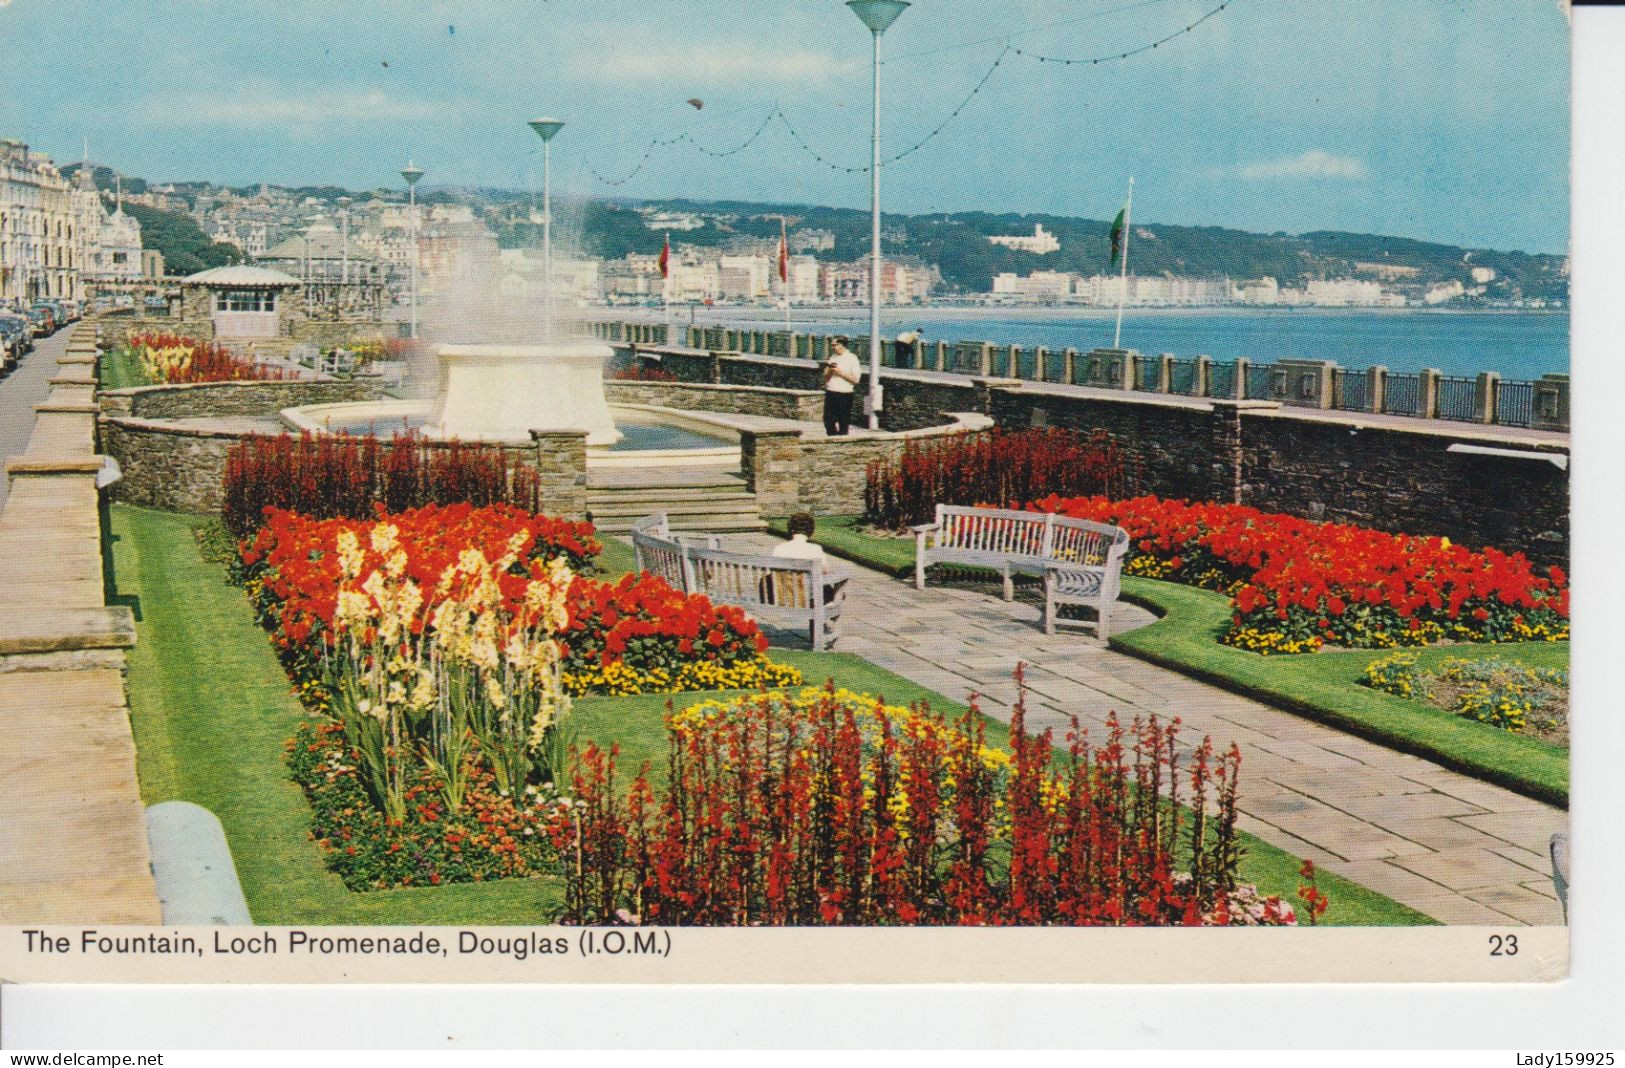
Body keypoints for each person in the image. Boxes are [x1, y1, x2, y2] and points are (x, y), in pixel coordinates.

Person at [822, 336, 862, 436]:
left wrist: (839, 372)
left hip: (845, 394)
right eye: (832, 345)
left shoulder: (852, 358)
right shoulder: (832, 357)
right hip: (831, 392)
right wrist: (830, 371)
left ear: (842, 345)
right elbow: (826, 378)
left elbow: (855, 380)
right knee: (827, 419)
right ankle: (832, 439)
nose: (832, 347)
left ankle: (842, 440)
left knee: (843, 420)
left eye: (834, 345)